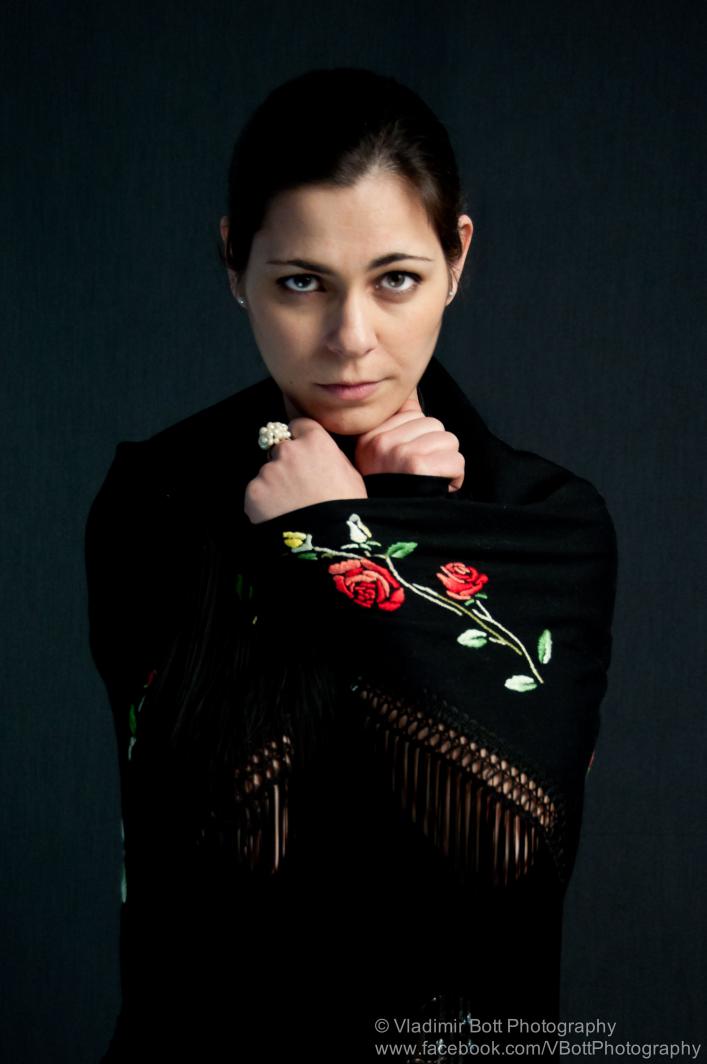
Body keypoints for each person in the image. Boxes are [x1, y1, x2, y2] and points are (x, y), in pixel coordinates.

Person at [85, 67, 618, 1063]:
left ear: (456, 258)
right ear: (233, 261)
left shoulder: (545, 521)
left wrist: (357, 528)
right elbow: (214, 841)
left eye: (395, 278)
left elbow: (504, 852)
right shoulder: (159, 500)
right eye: (301, 282)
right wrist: (332, 538)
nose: (351, 340)